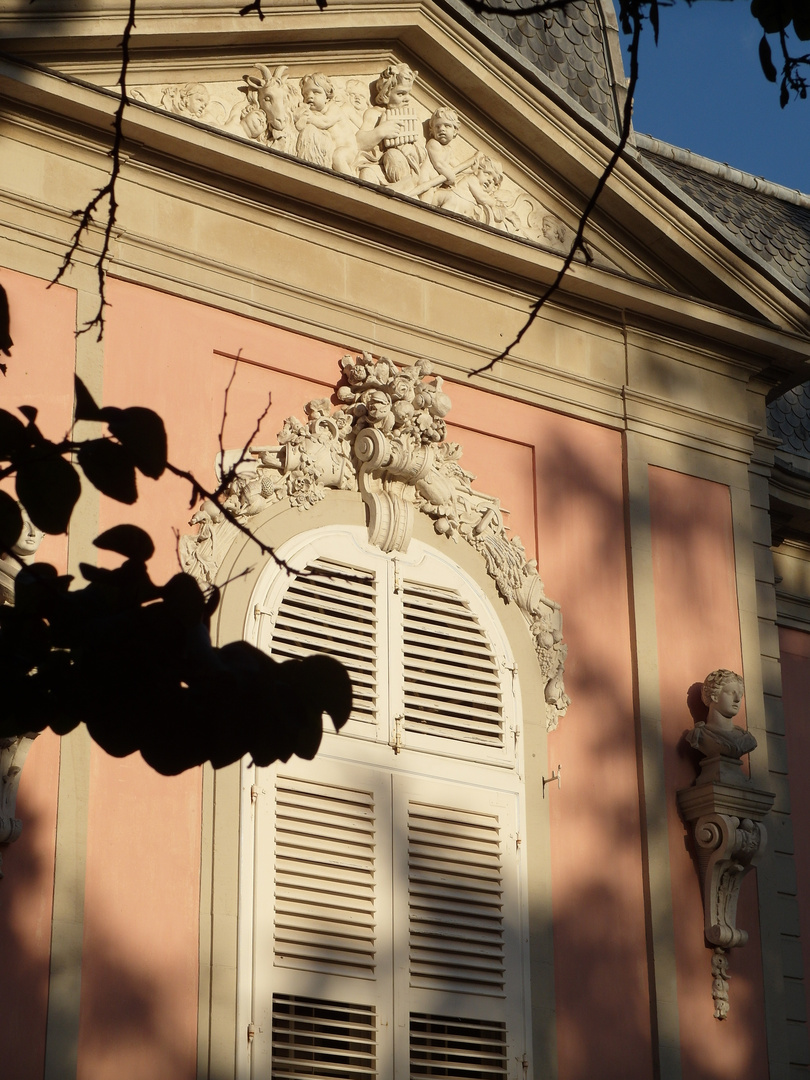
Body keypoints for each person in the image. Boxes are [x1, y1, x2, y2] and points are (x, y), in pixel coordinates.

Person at [294, 73, 360, 174]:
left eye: (316, 92)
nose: (310, 97)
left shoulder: (333, 108)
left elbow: (325, 122)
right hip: (331, 151)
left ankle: (352, 183)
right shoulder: (314, 113)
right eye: (305, 94)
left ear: (327, 97)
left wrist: (310, 118)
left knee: (338, 157)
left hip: (348, 149)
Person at [687, 668, 756, 759]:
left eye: (740, 695)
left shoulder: (747, 739)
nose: (737, 699)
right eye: (731, 693)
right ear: (714, 696)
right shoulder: (700, 735)